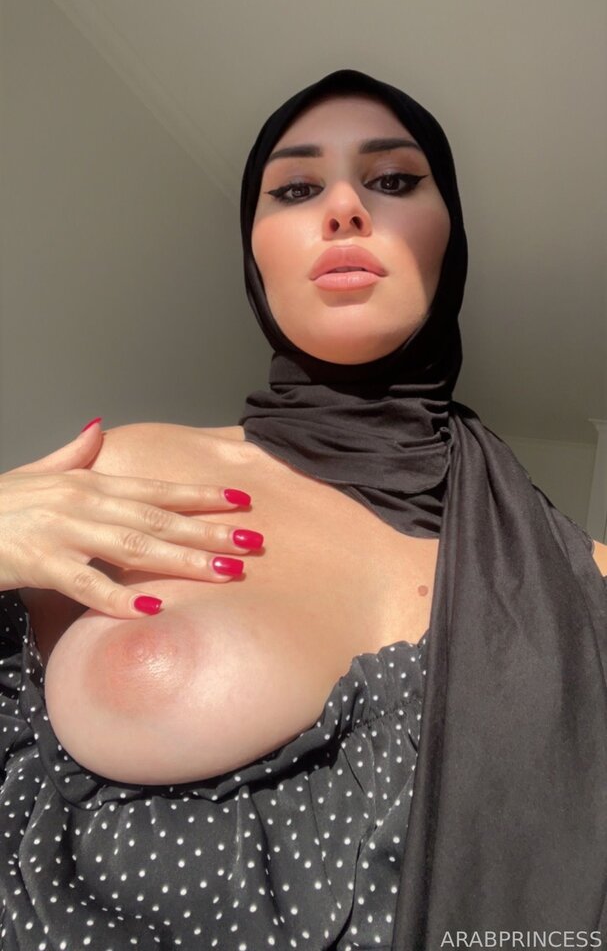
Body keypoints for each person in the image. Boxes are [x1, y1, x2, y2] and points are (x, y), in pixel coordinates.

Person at [1, 67, 606, 951]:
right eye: (294, 189)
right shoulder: (121, 473)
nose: (345, 208)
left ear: (450, 239)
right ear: (254, 254)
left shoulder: (581, 582)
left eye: (392, 179)